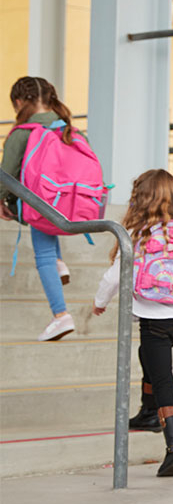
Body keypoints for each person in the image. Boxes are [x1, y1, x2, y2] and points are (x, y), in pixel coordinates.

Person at [93, 169, 173, 477]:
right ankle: (149, 412)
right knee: (147, 357)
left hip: (155, 321)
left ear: (140, 199)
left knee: (164, 380)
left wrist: (99, 302)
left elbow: (113, 276)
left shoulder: (139, 235)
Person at [0, 76, 81, 341]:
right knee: (49, 230)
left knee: (42, 253)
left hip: (39, 205)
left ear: (19, 102)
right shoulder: (69, 130)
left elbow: (6, 175)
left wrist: (1, 201)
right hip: (70, 203)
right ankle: (59, 264)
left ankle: (61, 315)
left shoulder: (23, 133)